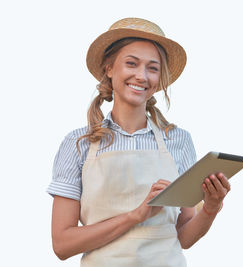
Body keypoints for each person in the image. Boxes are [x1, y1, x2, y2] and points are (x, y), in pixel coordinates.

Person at [47, 17, 231, 266]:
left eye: (152, 68)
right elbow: (62, 244)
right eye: (131, 64)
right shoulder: (78, 144)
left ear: (159, 79)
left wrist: (210, 207)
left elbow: (184, 237)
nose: (141, 76)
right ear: (109, 69)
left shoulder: (178, 140)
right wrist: (135, 215)